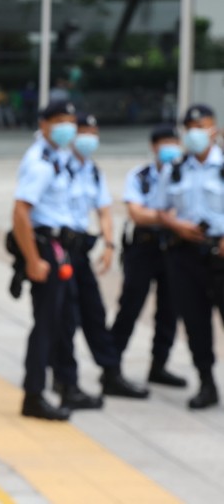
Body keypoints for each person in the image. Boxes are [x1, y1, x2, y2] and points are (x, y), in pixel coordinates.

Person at [50, 113, 148, 411]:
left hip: (81, 252)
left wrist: (108, 243)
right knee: (65, 317)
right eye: (83, 131)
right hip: (59, 250)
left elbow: (104, 210)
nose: (89, 137)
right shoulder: (56, 165)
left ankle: (110, 372)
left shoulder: (92, 171)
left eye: (94, 131)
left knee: (94, 312)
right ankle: (64, 378)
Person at [151, 104, 224, 409]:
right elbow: (159, 208)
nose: (196, 133)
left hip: (220, 254)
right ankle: (206, 382)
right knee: (195, 323)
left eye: (201, 126)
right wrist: (174, 223)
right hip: (185, 255)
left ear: (214, 129)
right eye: (190, 127)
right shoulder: (175, 168)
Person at [10, 100, 77, 421]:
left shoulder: (56, 157)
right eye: (61, 121)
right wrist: (33, 259)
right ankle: (34, 395)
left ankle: (61, 385)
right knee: (46, 325)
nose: (69, 128)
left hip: (56, 247)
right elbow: (21, 212)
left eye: (71, 121)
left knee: (61, 321)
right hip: (45, 250)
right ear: (46, 124)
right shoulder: (40, 162)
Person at [110, 124, 185, 388]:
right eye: (165, 143)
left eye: (174, 142)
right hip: (143, 247)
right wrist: (166, 218)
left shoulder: (184, 173)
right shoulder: (140, 175)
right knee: (130, 306)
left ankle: (159, 365)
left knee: (169, 310)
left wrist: (163, 219)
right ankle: (111, 366)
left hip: (173, 247)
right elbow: (137, 213)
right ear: (154, 147)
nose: (170, 148)